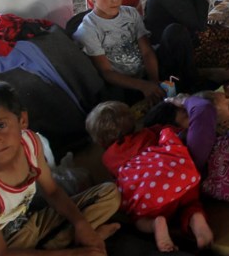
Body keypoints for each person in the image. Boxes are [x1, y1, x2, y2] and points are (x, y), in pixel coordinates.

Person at [0, 83, 121, 255]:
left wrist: (81, 224)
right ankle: (71, 244)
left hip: (23, 221)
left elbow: (53, 191)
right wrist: (74, 253)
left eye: (0, 126)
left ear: (22, 120)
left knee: (109, 193)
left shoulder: (30, 142)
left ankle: (68, 241)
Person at [86, 101, 213, 252]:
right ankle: (196, 219)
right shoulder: (149, 132)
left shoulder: (108, 158)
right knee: (190, 202)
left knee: (138, 219)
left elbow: (122, 179)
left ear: (100, 142)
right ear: (133, 123)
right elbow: (174, 131)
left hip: (151, 198)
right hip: (181, 178)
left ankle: (155, 223)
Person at [72, 0, 168, 104]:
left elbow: (146, 51)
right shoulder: (88, 30)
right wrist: (143, 86)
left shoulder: (131, 14)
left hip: (145, 74)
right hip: (122, 85)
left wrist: (154, 82)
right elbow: (106, 73)